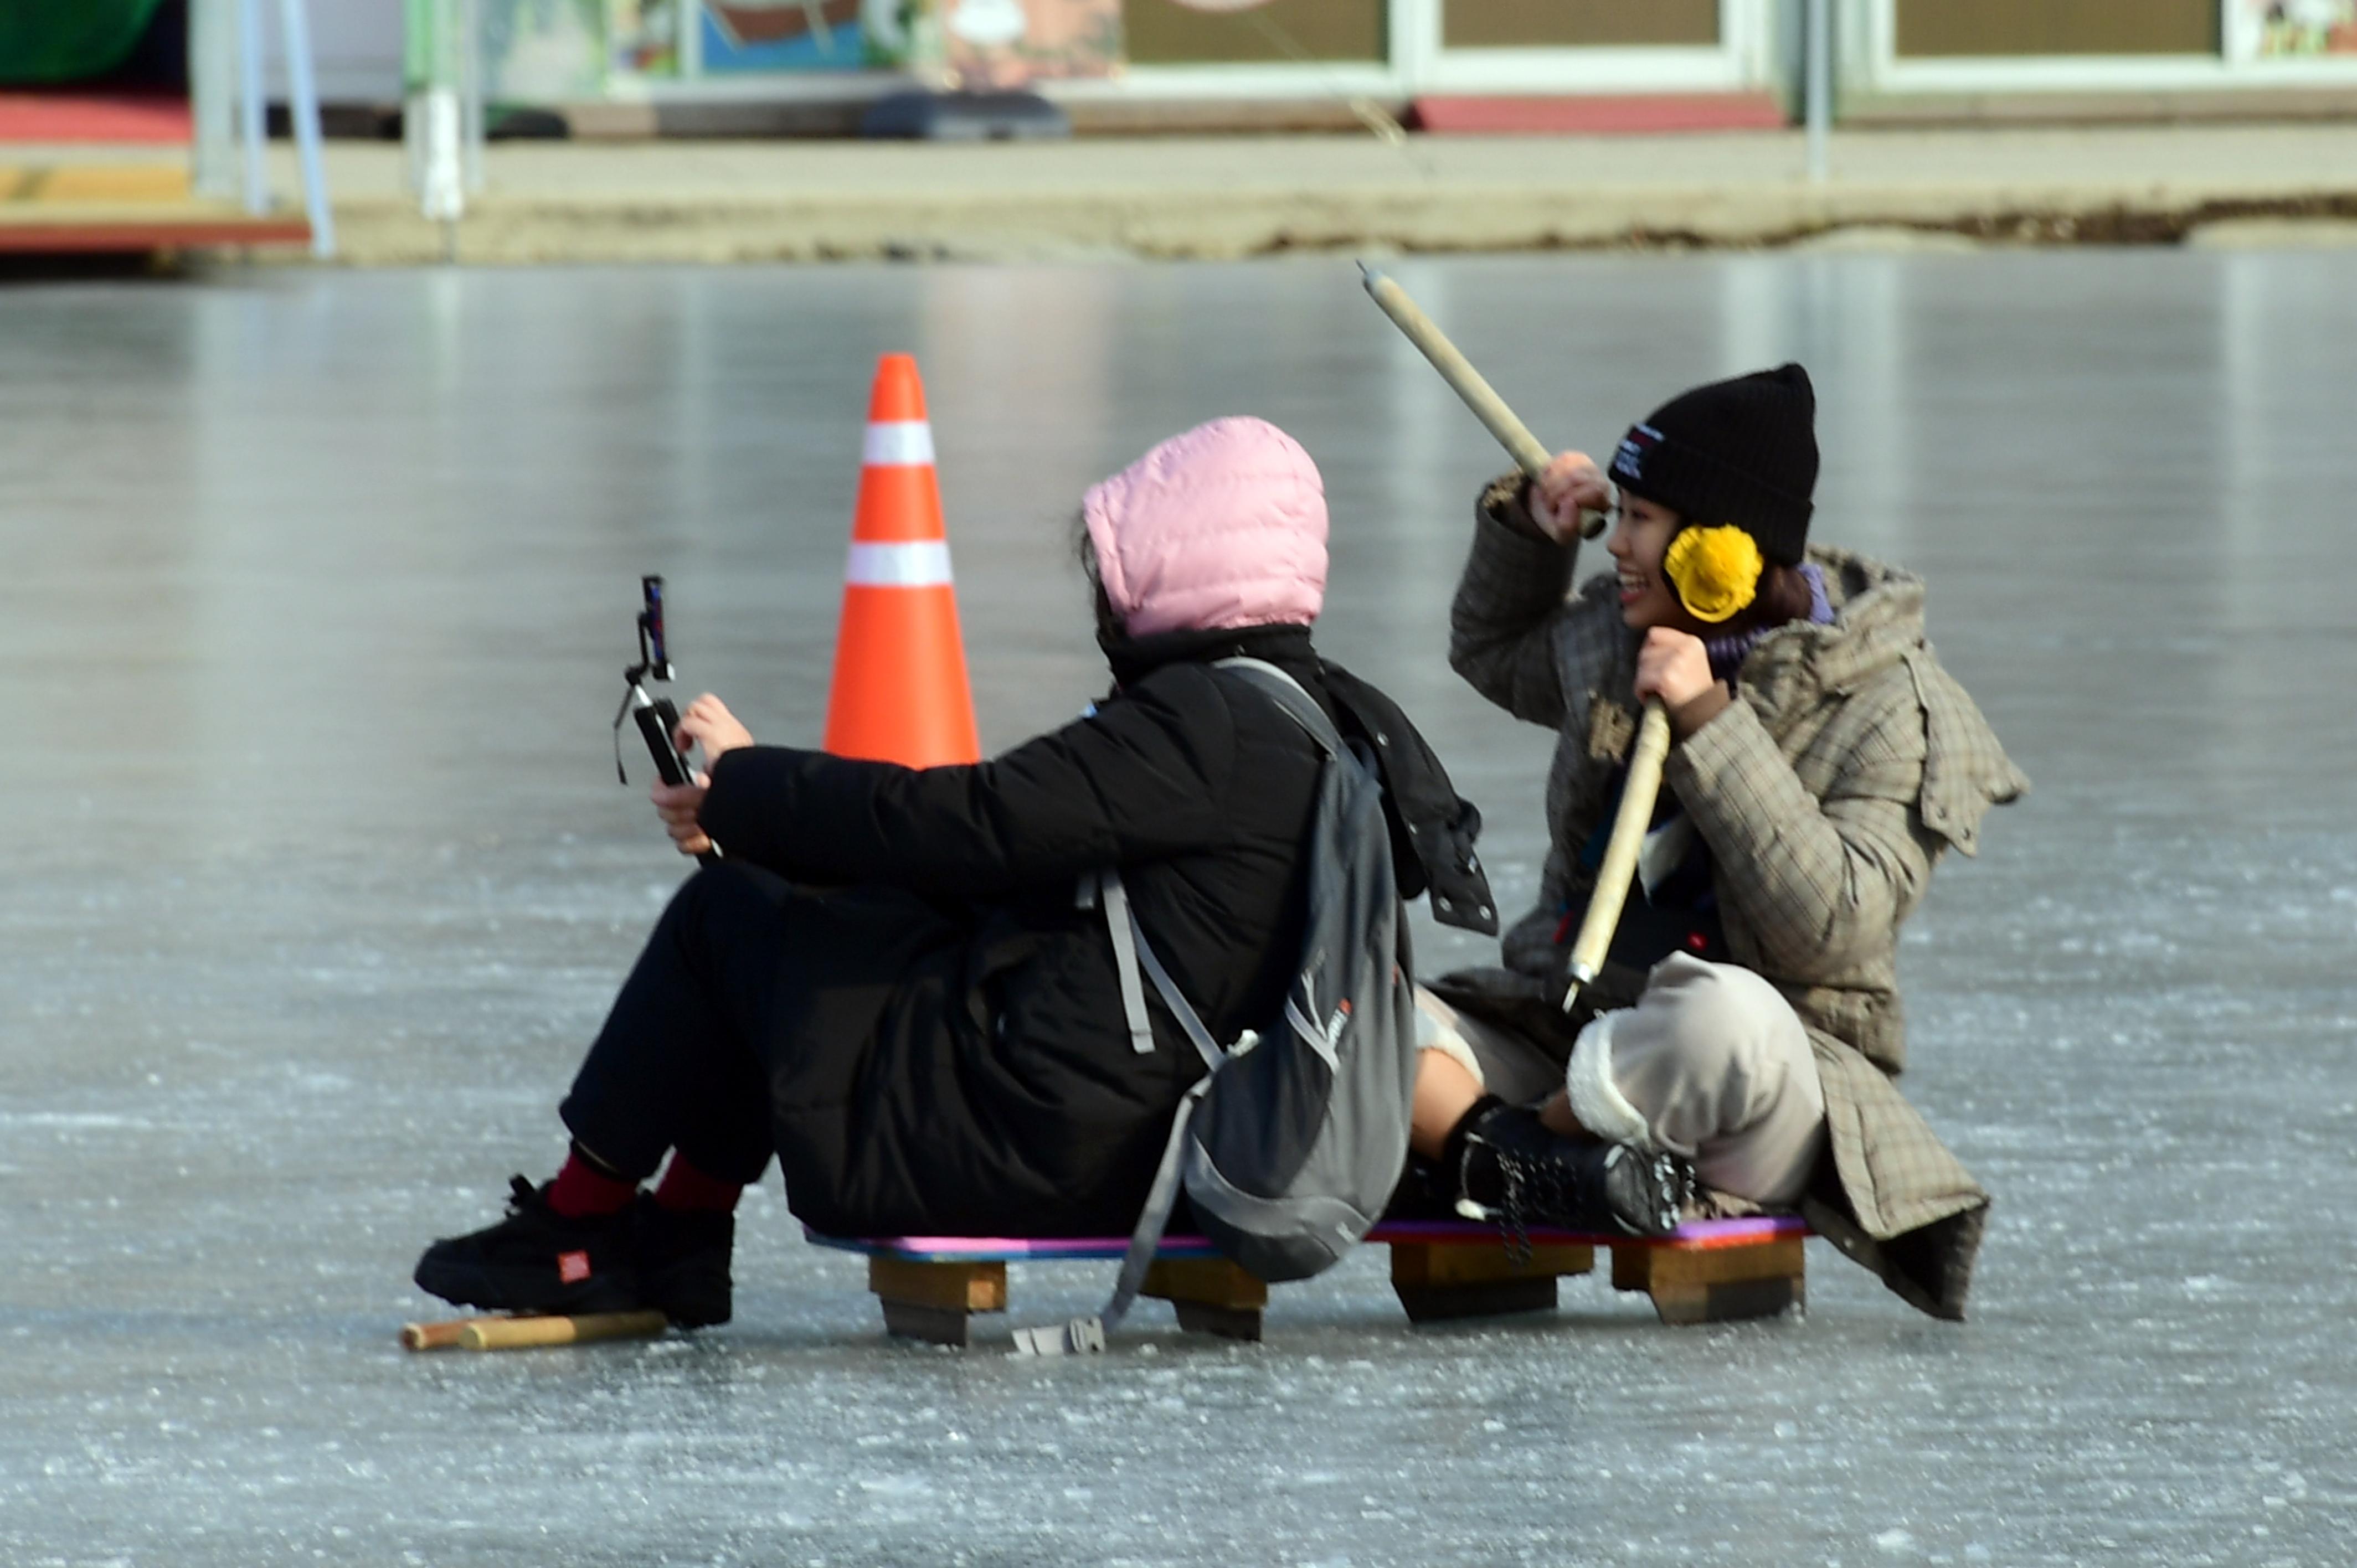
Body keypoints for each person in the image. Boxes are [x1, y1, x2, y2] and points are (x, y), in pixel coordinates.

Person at [412, 416, 1684, 1330]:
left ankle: (591, 1225)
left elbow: (970, 824)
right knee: (793, 912)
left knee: (732, 917)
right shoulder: (1319, 712)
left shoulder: (1202, 723)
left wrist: (747, 786)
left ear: (1179, 568)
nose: (1102, 594)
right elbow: (1013, 858)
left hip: (1051, 1134)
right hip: (1141, 1110)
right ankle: (679, 1240)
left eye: (1115, 565)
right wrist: (780, 831)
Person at [1404, 365, 2027, 1319]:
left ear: (1722, 553)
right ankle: (1536, 1158)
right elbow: (1492, 654)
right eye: (1618, 514)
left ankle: (1512, 1155)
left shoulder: (1891, 703)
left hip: (1759, 1088)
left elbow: (1833, 928)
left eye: (1641, 519)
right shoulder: (1620, 635)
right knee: (1364, 1015)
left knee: (1719, 1019)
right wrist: (1534, 536)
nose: (1616, 544)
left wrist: (1709, 723)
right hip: (1572, 1032)